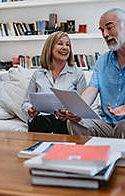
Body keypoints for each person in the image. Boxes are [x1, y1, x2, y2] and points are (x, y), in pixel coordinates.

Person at [55, 8, 125, 138]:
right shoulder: (103, 60)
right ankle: (87, 158)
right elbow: (91, 90)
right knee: (75, 122)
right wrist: (75, 110)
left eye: (109, 28)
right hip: (106, 124)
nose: (105, 34)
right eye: (102, 30)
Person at [21, 31, 87, 134]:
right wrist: (30, 110)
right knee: (40, 123)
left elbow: (84, 105)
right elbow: (26, 102)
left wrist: (69, 113)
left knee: (62, 127)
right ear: (50, 48)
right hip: (41, 121)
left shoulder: (77, 73)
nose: (65, 47)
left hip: (65, 122)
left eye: (68, 45)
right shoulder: (38, 74)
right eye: (60, 43)